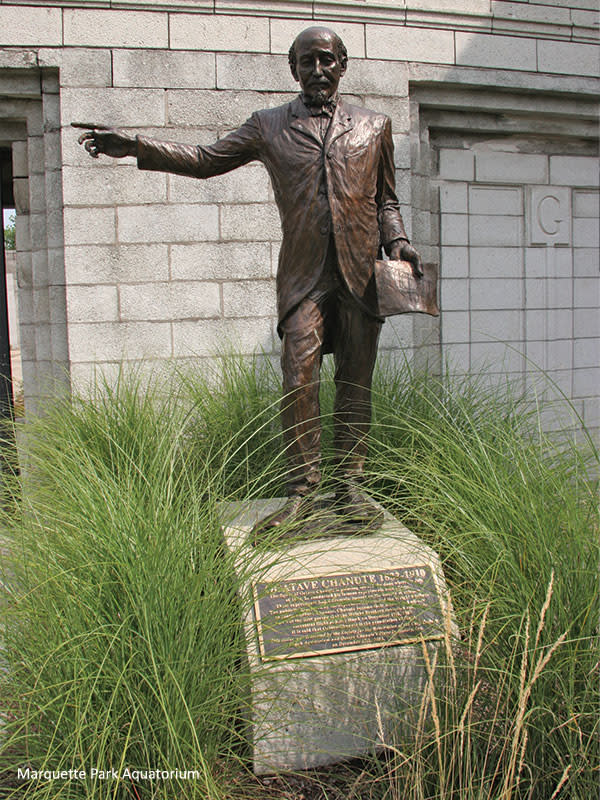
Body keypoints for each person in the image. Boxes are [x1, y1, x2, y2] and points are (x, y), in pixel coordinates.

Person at [75, 26, 423, 538]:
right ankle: (303, 493)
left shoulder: (375, 125)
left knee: (355, 383)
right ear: (294, 69)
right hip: (304, 278)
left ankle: (350, 487)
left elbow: (385, 200)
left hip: (360, 276)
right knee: (297, 379)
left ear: (343, 65)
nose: (318, 71)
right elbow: (206, 160)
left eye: (326, 60)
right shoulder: (269, 126)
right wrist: (136, 146)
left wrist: (398, 243)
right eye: (307, 62)